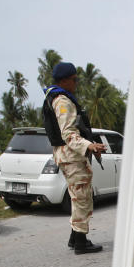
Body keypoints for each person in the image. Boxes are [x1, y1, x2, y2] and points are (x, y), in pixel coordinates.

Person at [42, 61, 106, 254]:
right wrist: (89, 145)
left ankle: (74, 237)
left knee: (78, 196)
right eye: (74, 79)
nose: (76, 83)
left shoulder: (57, 98)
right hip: (70, 154)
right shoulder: (62, 100)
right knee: (81, 198)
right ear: (64, 80)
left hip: (68, 154)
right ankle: (80, 242)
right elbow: (68, 134)